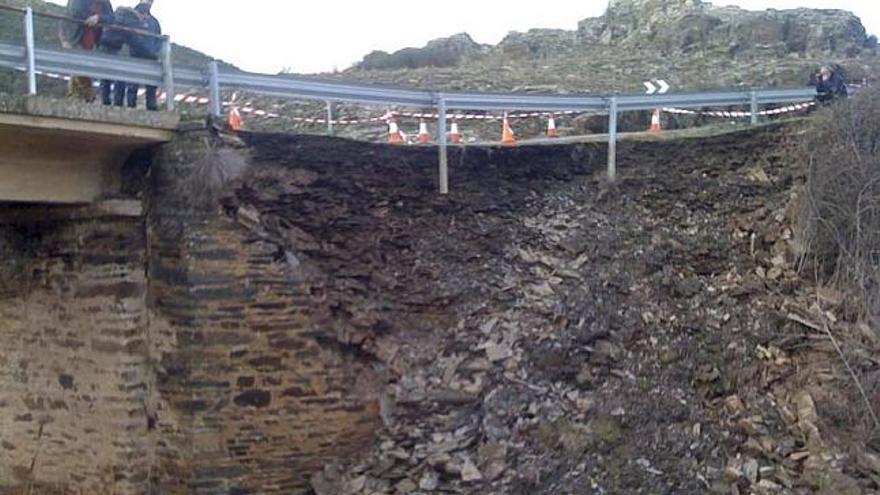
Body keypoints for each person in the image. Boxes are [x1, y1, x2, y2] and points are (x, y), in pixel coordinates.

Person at [59, 0, 114, 102]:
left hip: (90, 40)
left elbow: (111, 17)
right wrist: (91, 18)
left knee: (79, 70)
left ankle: (76, 98)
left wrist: (98, 18)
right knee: (80, 66)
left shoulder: (105, 2)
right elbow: (76, 11)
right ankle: (88, 96)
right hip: (73, 36)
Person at [126, 0, 163, 111]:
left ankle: (151, 106)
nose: (148, 2)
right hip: (135, 56)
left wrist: (155, 51)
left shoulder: (154, 22)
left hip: (151, 58)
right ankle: (131, 106)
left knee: (151, 84)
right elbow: (128, 35)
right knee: (133, 83)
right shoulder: (132, 18)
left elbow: (159, 39)